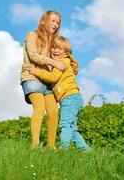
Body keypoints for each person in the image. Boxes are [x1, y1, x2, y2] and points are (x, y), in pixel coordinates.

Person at [29, 36, 91, 152]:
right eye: (54, 48)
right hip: (74, 98)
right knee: (72, 130)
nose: (56, 51)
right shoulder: (63, 62)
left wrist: (37, 72)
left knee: (65, 125)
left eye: (60, 49)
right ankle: (87, 151)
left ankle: (63, 149)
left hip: (70, 98)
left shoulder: (62, 63)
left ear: (66, 52)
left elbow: (53, 77)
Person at [20, 10, 66, 148]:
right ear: (43, 22)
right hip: (32, 77)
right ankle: (34, 146)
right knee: (39, 108)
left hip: (46, 82)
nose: (56, 24)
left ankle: (50, 147)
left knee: (53, 112)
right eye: (53, 21)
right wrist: (54, 63)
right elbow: (33, 55)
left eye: (58, 22)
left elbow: (63, 55)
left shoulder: (53, 43)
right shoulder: (32, 35)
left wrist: (70, 66)